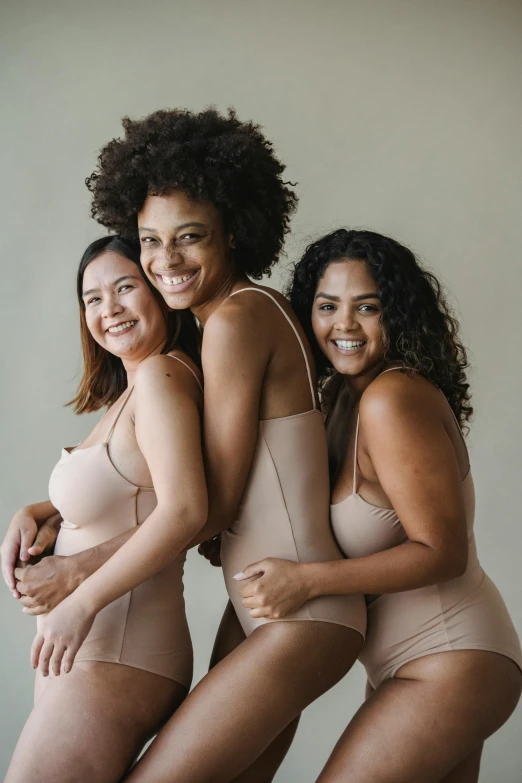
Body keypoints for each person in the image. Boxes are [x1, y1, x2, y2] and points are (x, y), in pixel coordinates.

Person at [10, 108, 366, 783]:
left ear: (234, 230)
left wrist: (78, 578)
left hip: (299, 607)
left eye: (190, 237)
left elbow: (207, 506)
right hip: (260, 604)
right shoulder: (224, 324)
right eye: (150, 240)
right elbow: (169, 479)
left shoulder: (237, 318)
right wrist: (52, 511)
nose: (164, 261)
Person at [236, 228, 522, 783]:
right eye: (326, 306)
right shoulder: (342, 398)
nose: (343, 325)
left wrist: (308, 582)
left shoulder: (393, 399)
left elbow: (443, 553)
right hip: (411, 666)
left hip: (451, 656)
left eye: (367, 307)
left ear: (399, 315)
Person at [3, 236, 205, 783]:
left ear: (159, 292)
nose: (108, 308)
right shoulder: (134, 389)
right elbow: (136, 488)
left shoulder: (162, 378)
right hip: (92, 652)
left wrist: (77, 589)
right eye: (92, 298)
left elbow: (186, 512)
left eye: (124, 288)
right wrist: (41, 509)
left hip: (119, 648)